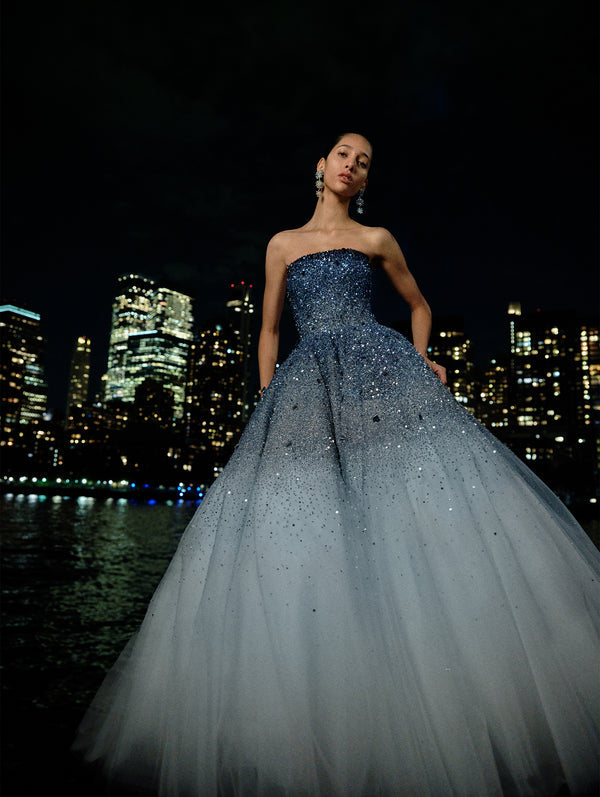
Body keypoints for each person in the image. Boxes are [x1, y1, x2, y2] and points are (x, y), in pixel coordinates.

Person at [73, 133, 600, 797]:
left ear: (365, 180)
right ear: (321, 165)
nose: (354, 164)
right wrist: (267, 396)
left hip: (380, 377)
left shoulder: (377, 238)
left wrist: (425, 356)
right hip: (305, 387)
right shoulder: (281, 244)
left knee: (403, 505)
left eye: (366, 161)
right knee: (298, 527)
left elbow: (420, 306)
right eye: (345, 153)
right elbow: (268, 328)